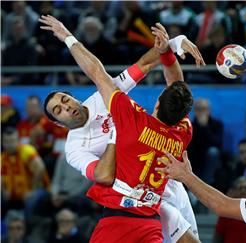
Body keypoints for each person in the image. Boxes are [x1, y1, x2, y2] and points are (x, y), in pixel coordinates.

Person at [39, 14, 204, 243]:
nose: (66, 107)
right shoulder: (75, 146)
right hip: (141, 200)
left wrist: (173, 43)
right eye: (59, 110)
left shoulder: (111, 103)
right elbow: (103, 176)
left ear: (73, 98)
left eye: (65, 100)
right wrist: (172, 46)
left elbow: (134, 67)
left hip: (166, 187)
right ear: (58, 124)